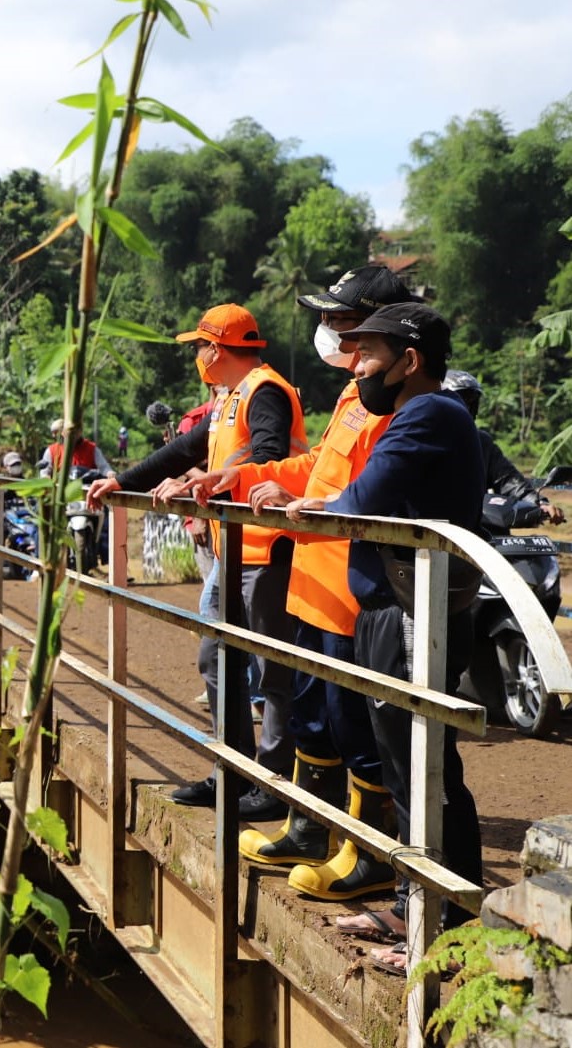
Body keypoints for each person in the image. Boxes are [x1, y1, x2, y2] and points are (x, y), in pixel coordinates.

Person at [184, 264, 416, 899]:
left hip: (349, 590)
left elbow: (370, 490)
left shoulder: (394, 404)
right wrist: (243, 477)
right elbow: (316, 464)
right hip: (311, 581)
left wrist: (311, 500)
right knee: (313, 716)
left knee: (355, 726)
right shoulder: (352, 393)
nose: (333, 333)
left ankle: (367, 851)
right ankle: (309, 828)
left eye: (344, 322)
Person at [282, 303, 484, 972]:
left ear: (410, 359)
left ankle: (447, 925)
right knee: (402, 765)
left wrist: (323, 506)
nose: (357, 366)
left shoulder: (429, 413)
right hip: (390, 606)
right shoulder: (419, 414)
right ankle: (410, 900)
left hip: (413, 612)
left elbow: (361, 497)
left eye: (367, 353)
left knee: (425, 766)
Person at [87, 303, 307, 818]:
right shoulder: (230, 396)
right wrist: (121, 481)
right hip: (235, 550)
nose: (198, 356)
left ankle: (273, 785)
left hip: (268, 549)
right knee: (217, 657)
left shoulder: (266, 391)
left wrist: (211, 481)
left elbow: (269, 453)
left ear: (219, 348)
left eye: (201, 347)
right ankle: (231, 769)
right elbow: (183, 450)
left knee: (271, 670)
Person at [441, 370, 566, 524]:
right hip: (433, 526)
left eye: (470, 403)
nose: (465, 408)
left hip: (478, 523)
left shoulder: (481, 442)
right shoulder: (423, 439)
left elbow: (508, 480)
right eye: (460, 401)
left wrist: (539, 503)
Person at [37, 418, 114, 479]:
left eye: (76, 430)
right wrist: (46, 479)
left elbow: (104, 468)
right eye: (70, 430)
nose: (73, 434)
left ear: (80, 431)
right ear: (63, 432)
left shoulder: (92, 449)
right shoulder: (52, 450)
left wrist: (110, 474)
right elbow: (44, 473)